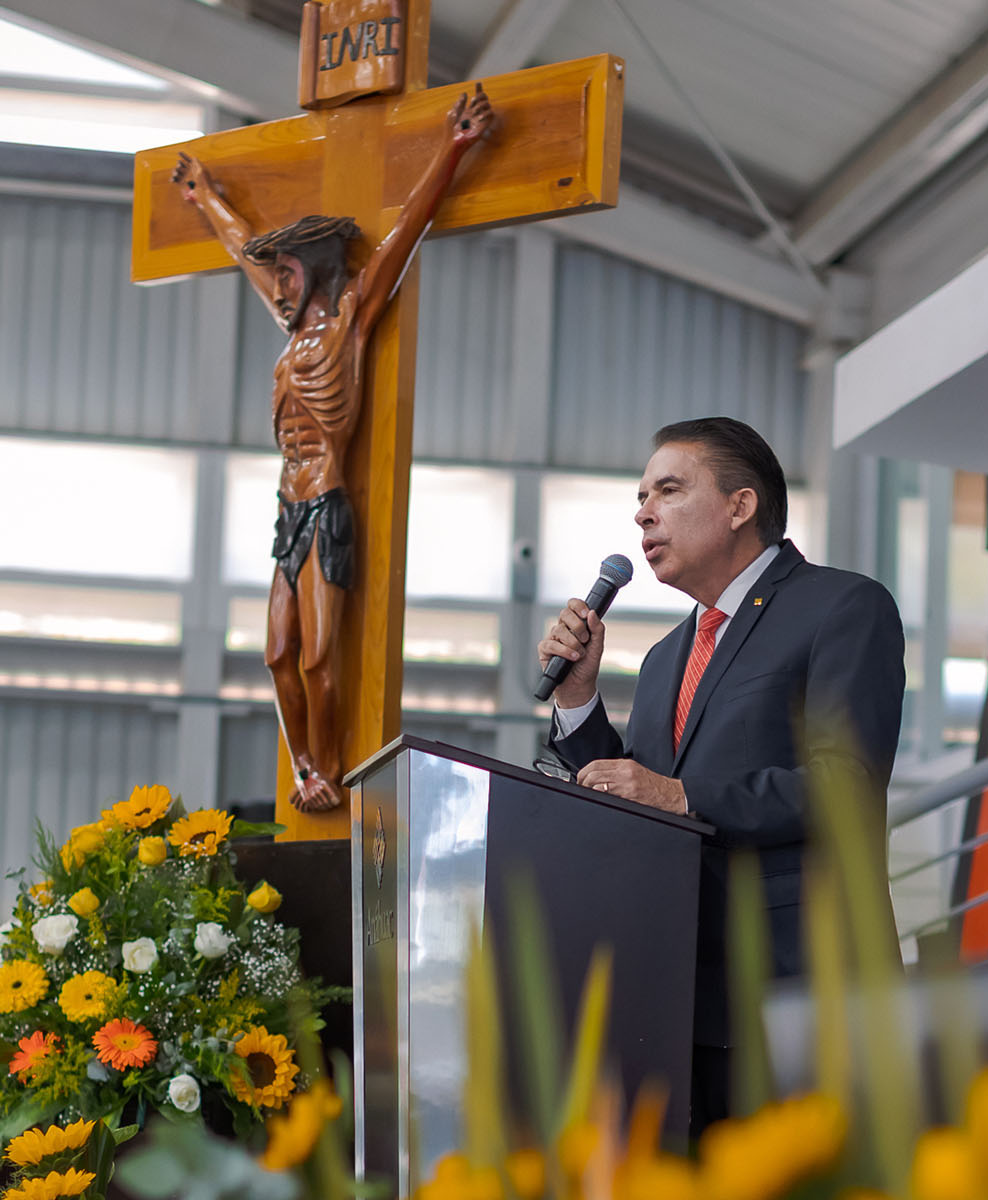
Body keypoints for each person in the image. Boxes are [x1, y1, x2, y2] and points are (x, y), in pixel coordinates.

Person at [537, 416, 904, 1134]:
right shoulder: (666, 657)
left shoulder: (841, 606)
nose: (644, 512)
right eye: (640, 498)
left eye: (668, 490)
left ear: (740, 506)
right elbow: (631, 801)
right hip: (676, 993)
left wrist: (680, 794)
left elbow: (846, 785)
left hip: (801, 995)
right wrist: (579, 699)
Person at [173, 85, 496, 813]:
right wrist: (205, 197)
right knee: (275, 655)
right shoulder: (290, 331)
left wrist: (452, 148)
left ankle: (332, 770)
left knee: (319, 656)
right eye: (276, 274)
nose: (278, 284)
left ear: (317, 269)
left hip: (326, 504)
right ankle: (305, 769)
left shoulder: (349, 321)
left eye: (287, 271)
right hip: (287, 512)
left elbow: (406, 232)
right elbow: (239, 252)